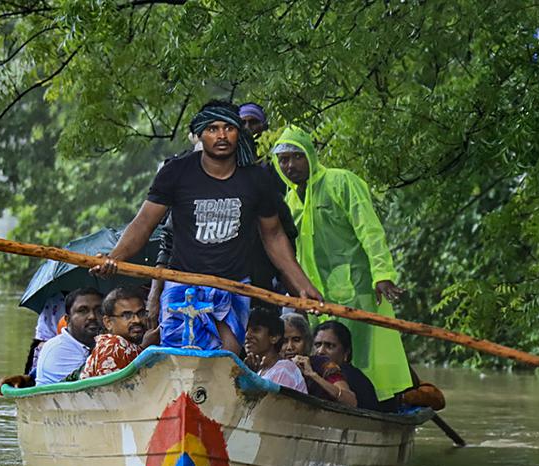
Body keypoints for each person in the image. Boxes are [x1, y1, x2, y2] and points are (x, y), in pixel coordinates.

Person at [91, 100, 322, 356]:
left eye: (228, 128)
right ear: (200, 133)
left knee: (229, 357)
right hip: (183, 283)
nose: (221, 136)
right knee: (179, 356)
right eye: (212, 129)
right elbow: (144, 223)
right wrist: (114, 258)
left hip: (234, 285)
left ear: (238, 133)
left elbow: (274, 236)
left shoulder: (257, 179)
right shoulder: (176, 173)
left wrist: (302, 285)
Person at [272, 126, 413, 403]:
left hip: (357, 288)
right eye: (284, 160)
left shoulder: (341, 182)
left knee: (360, 353)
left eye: (297, 157)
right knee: (324, 355)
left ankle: (373, 403)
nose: (290, 165)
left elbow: (369, 229)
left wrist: (381, 273)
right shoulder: (290, 201)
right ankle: (333, 399)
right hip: (317, 295)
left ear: (310, 156)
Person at [81, 286, 160, 379]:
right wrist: (144, 348)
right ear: (108, 322)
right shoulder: (112, 345)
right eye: (127, 315)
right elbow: (113, 390)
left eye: (141, 313)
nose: (137, 320)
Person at [310, 320, 387, 411]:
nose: (320, 351)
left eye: (330, 346)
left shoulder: (350, 377)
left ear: (346, 353)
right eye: (317, 345)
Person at [33, 288, 103, 385]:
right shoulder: (58, 349)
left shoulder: (102, 343)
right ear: (68, 319)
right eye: (82, 311)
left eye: (99, 310)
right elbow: (89, 387)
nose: (92, 316)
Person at [243, 308, 308, 394]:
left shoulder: (284, 369)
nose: (247, 335)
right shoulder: (260, 371)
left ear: (274, 337)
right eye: (246, 330)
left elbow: (269, 405)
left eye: (255, 330)